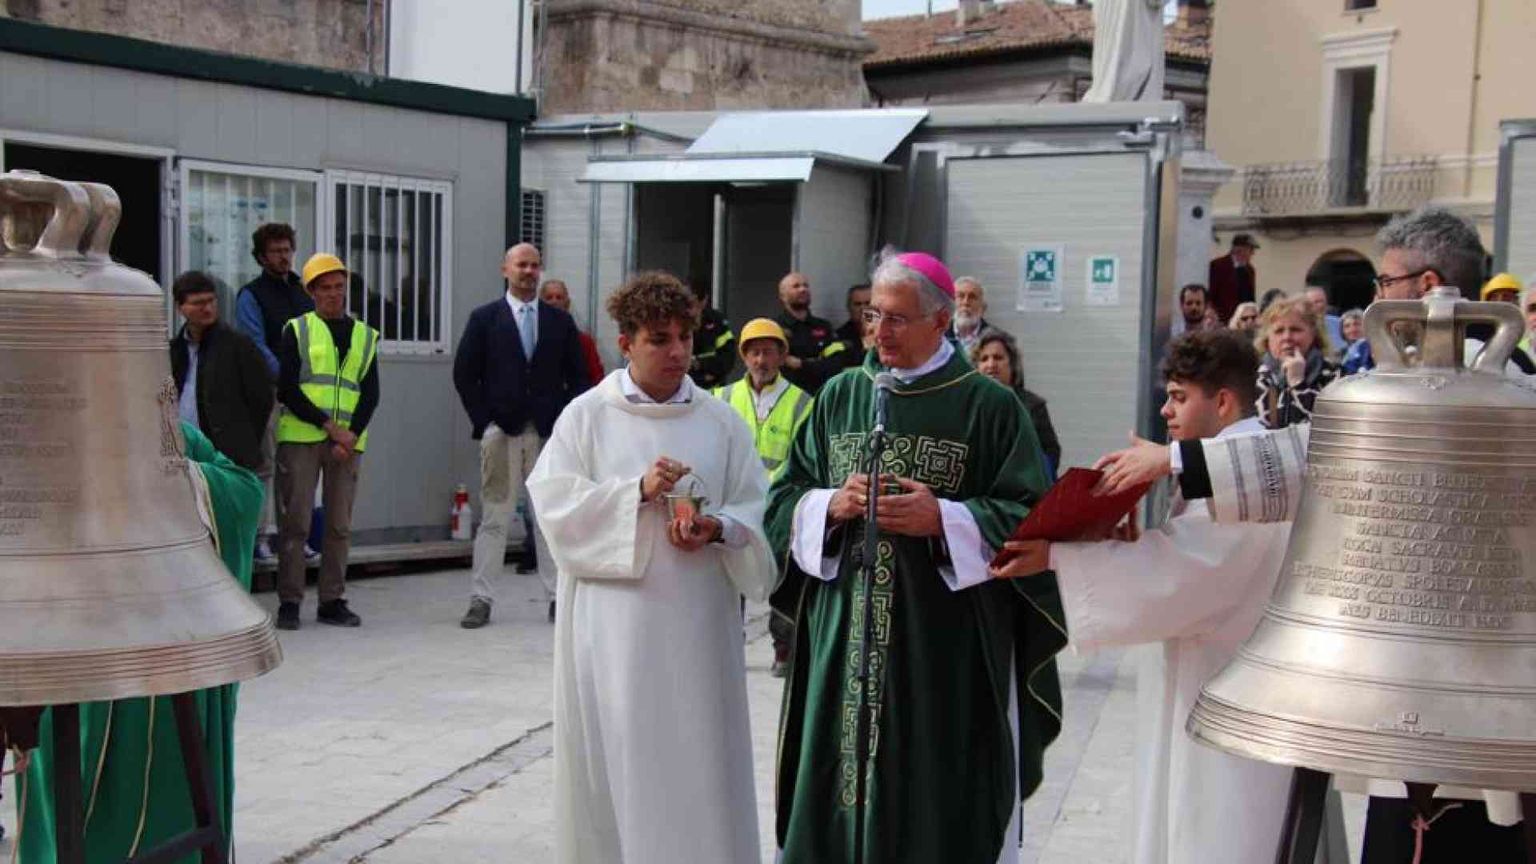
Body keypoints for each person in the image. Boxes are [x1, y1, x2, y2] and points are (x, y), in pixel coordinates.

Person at [765, 251, 1065, 864]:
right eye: (875, 316)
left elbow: (1034, 518)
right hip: (842, 637)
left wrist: (947, 519)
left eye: (898, 319)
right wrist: (829, 506)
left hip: (940, 646)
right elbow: (782, 501)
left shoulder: (988, 406)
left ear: (942, 320)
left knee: (928, 792)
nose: (880, 332)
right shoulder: (841, 395)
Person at [990, 330, 1293, 864]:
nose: (1165, 410)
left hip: (1236, 698)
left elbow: (1186, 576)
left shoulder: (1246, 471)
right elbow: (1178, 563)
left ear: (1222, 401)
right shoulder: (1229, 461)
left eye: (1178, 396)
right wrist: (1116, 543)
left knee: (1221, 833)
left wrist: (1060, 557)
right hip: (1208, 676)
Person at [526, 271, 775, 864]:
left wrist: (716, 527)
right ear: (625, 342)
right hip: (615, 633)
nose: (678, 352)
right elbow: (553, 507)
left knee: (698, 760)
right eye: (660, 339)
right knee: (623, 761)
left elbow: (757, 506)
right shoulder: (587, 416)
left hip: (698, 628)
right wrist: (635, 491)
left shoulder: (721, 421)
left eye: (686, 337)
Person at [18, 423, 263, 863]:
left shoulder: (169, 429)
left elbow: (243, 492)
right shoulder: (35, 426)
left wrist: (176, 477)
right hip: (71, 650)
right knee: (67, 808)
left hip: (164, 658)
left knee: (171, 805)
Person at [454, 244, 592, 629]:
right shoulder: (485, 319)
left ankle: (558, 598)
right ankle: (481, 599)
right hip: (502, 432)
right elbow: (466, 375)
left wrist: (564, 423)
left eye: (534, 265)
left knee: (549, 517)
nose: (529, 271)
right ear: (506, 269)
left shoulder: (559, 323)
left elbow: (579, 379)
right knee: (495, 517)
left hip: (548, 435)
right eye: (522, 265)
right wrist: (486, 422)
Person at [274, 253, 380, 630]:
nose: (334, 294)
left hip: (347, 444)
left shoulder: (365, 336)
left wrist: (349, 436)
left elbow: (370, 393)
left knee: (339, 525)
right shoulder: (297, 330)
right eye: (326, 288)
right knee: (295, 523)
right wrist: (331, 428)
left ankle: (332, 599)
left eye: (339, 287)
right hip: (302, 438)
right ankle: (289, 601)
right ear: (311, 291)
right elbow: (287, 388)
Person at [712, 317, 814, 678]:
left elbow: (805, 458)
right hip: (734, 503)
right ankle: (727, 641)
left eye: (769, 352)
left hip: (779, 505)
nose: (761, 360)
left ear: (782, 356)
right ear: (743, 356)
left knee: (782, 576)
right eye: (754, 352)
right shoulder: (721, 399)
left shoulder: (802, 402)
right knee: (729, 574)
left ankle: (783, 647)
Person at [235, 223, 316, 567]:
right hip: (269, 393)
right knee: (264, 466)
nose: (284, 257)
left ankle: (294, 538)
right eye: (276, 251)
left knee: (297, 469)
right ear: (261, 257)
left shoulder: (303, 292)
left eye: (287, 250)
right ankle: (259, 538)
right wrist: (284, 377)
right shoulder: (251, 295)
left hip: (303, 393)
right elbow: (254, 342)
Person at [1342, 206, 1488, 375]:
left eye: (1387, 282)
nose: (1377, 299)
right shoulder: (1498, 359)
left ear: (1428, 285)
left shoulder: (1449, 371)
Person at [170, 271, 275, 473]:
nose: (207, 308)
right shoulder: (174, 351)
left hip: (226, 456)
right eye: (198, 303)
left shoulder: (238, 346)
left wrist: (242, 442)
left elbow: (261, 399)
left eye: (211, 301)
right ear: (180, 307)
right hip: (182, 452)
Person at [971, 329, 1062, 480]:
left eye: (998, 357)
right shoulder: (968, 406)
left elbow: (1050, 456)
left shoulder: (1033, 406)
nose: (991, 364)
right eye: (984, 359)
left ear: (1012, 364)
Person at [1253, 296, 1340, 429]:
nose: (1287, 337)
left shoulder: (1335, 376)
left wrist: (1298, 383)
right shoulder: (1254, 379)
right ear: (1267, 340)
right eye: (1279, 331)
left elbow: (1330, 428)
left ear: (1314, 335)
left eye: (1295, 330)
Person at [774, 271, 837, 393]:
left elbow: (834, 364)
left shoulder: (823, 327)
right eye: (796, 286)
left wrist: (800, 364)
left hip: (819, 393)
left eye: (806, 286)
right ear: (783, 296)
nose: (803, 289)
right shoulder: (774, 327)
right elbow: (777, 363)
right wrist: (816, 363)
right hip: (788, 394)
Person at [542, 279, 604, 385]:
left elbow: (597, 379)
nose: (554, 301)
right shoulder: (533, 339)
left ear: (567, 303)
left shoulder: (584, 342)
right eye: (549, 297)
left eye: (559, 297)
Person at [687, 279, 737, 390]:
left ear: (703, 301)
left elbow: (727, 359)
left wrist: (698, 363)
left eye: (694, 303)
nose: (690, 310)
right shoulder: (675, 322)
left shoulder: (717, 322)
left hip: (714, 390)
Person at [816, 283, 873, 373]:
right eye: (857, 304)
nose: (863, 308)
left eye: (868, 303)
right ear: (849, 307)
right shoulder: (839, 337)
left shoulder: (887, 332)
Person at [1208, 233, 1258, 323]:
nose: (1252, 253)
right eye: (1250, 250)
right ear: (1238, 250)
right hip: (1224, 320)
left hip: (1244, 321)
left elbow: (1251, 297)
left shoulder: (1250, 270)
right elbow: (1211, 294)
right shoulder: (1218, 266)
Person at [950, 276, 992, 354]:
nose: (965, 302)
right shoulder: (938, 336)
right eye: (960, 296)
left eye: (972, 297)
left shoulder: (995, 339)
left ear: (983, 307)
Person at [1304, 285, 1345, 351]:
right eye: (1315, 302)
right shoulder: (1300, 327)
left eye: (1321, 301)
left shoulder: (1340, 323)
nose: (1320, 305)